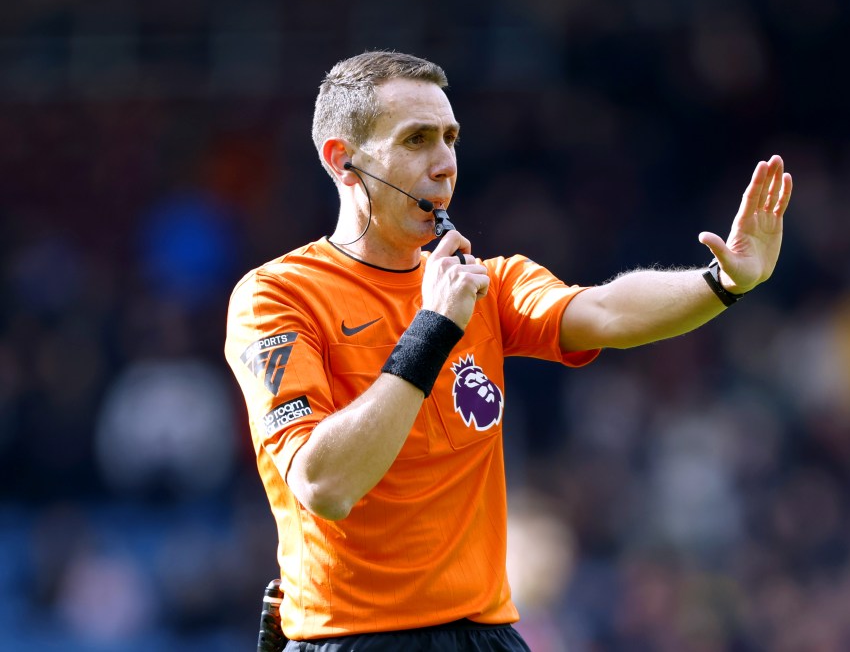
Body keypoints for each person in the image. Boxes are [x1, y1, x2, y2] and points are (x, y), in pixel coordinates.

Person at [224, 50, 793, 652]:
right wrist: (432, 330)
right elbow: (325, 484)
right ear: (344, 162)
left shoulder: (487, 286)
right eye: (416, 140)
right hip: (357, 638)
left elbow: (606, 310)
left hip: (486, 636)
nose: (445, 164)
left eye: (451, 139)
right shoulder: (278, 298)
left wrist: (722, 282)